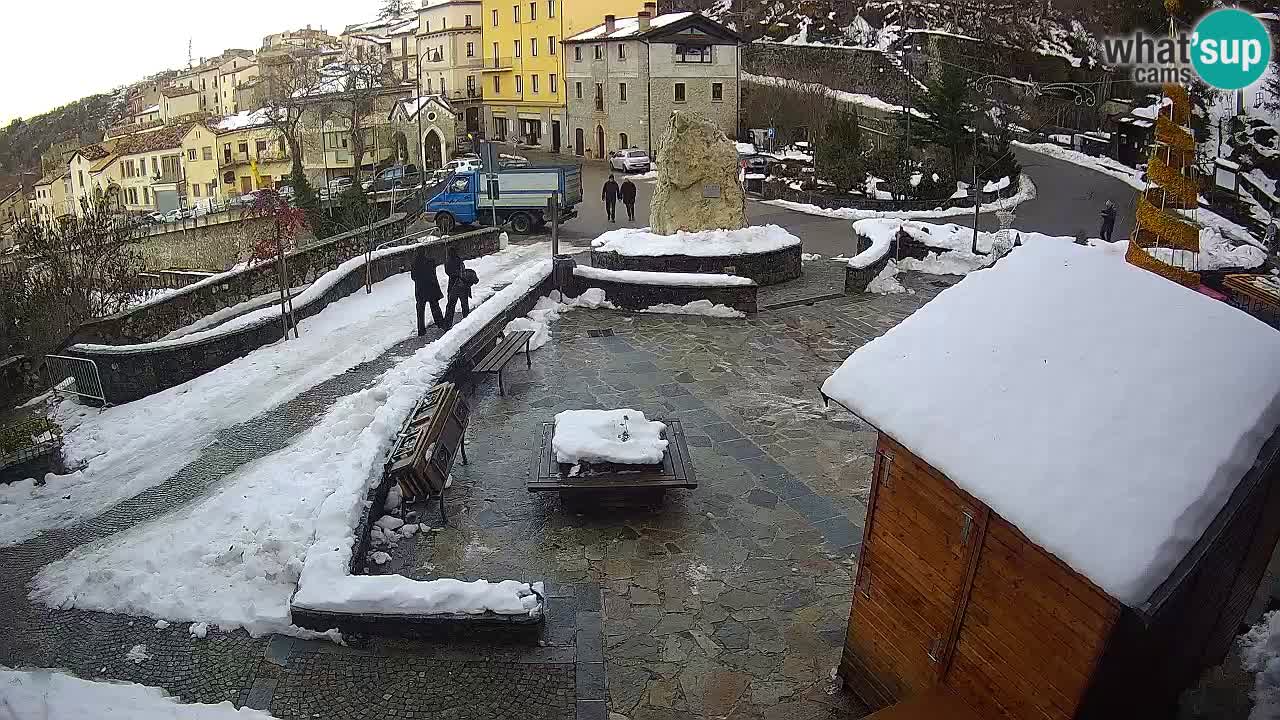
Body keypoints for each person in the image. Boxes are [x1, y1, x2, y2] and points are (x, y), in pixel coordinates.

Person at [411, 248, 444, 335]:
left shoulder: (414, 264)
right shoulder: (430, 262)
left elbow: (413, 277)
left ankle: (421, 330)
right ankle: (440, 323)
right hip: (430, 288)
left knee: (420, 311)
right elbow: (433, 273)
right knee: (435, 307)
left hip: (420, 290)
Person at [444, 246, 473, 327]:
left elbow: (448, 272)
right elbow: (463, 273)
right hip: (462, 286)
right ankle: (467, 321)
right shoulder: (459, 261)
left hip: (453, 286)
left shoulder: (447, 262)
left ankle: (447, 324)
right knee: (464, 304)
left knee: (450, 306)